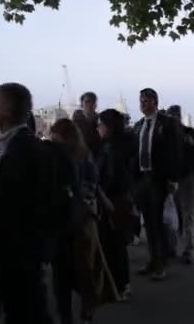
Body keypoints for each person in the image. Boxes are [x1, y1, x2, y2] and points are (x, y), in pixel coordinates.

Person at [0, 83, 53, 324]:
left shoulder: (22, 149)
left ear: (9, 110)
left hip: (18, 259)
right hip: (18, 257)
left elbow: (24, 209)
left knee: (27, 312)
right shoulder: (19, 145)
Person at [49, 118, 118, 324]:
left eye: (56, 136)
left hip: (76, 221)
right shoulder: (79, 155)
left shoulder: (77, 157)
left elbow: (90, 185)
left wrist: (74, 196)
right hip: (71, 222)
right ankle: (73, 314)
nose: (53, 140)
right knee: (69, 272)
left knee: (79, 271)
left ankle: (81, 311)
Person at [133, 88, 181, 281]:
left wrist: (173, 179)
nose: (142, 104)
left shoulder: (168, 124)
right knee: (148, 223)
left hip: (159, 179)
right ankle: (152, 259)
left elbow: (175, 152)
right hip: (142, 179)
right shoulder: (138, 125)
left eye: (145, 101)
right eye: (140, 101)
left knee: (158, 222)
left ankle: (161, 263)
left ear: (154, 102)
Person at [96, 109, 138, 300]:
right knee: (117, 244)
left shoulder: (110, 148)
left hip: (110, 201)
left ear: (108, 127)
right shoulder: (124, 144)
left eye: (100, 124)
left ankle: (118, 286)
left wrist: (100, 190)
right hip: (122, 200)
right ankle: (121, 285)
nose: (98, 128)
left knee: (112, 244)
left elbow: (110, 177)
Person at [167, 105, 194, 264]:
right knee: (183, 215)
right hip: (183, 178)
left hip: (179, 179)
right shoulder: (190, 134)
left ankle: (181, 248)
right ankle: (184, 249)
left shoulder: (170, 135)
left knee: (180, 215)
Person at [73, 92, 101, 158]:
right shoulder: (76, 121)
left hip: (95, 155)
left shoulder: (100, 121)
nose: (90, 104)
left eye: (92, 102)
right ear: (82, 104)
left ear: (95, 105)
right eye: (87, 102)